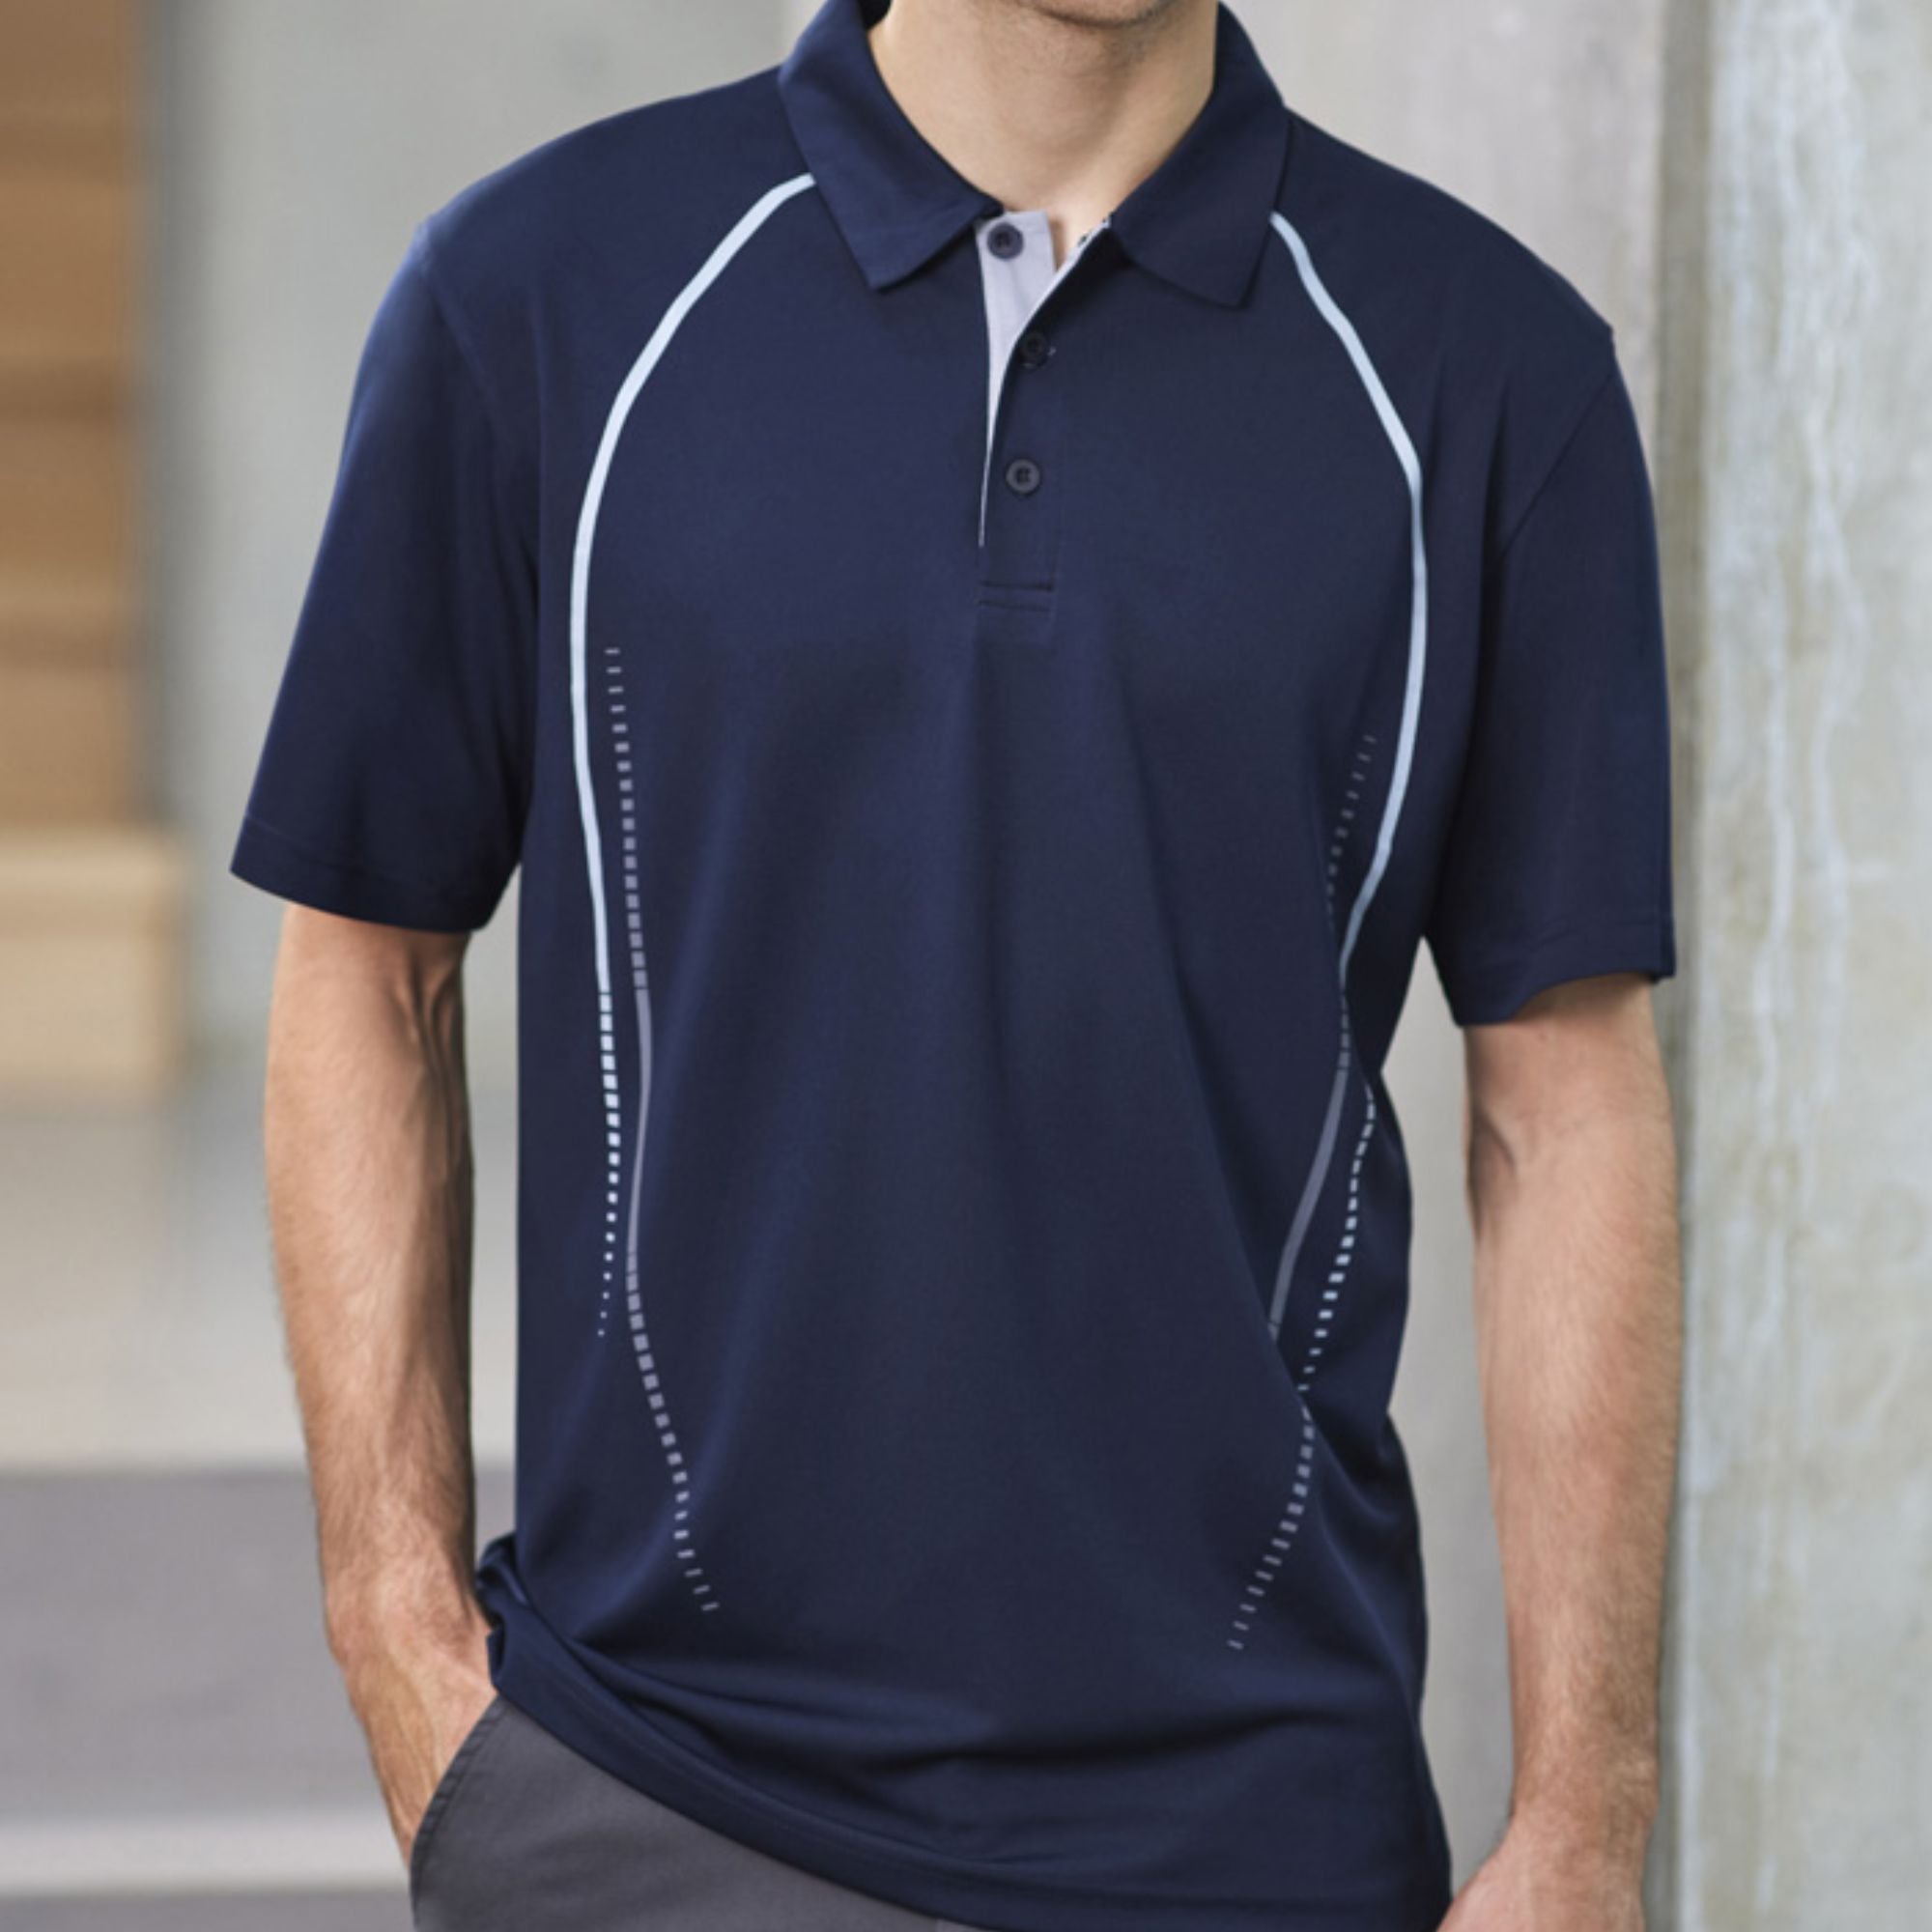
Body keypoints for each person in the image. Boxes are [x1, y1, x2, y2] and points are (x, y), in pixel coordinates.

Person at [229, 0, 1683, 1926]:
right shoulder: (541, 295)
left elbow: (1564, 1110)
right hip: (648, 1801)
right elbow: (370, 965)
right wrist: (397, 1643)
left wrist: (1583, 1822)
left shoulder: (1487, 371)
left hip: (1255, 1836)